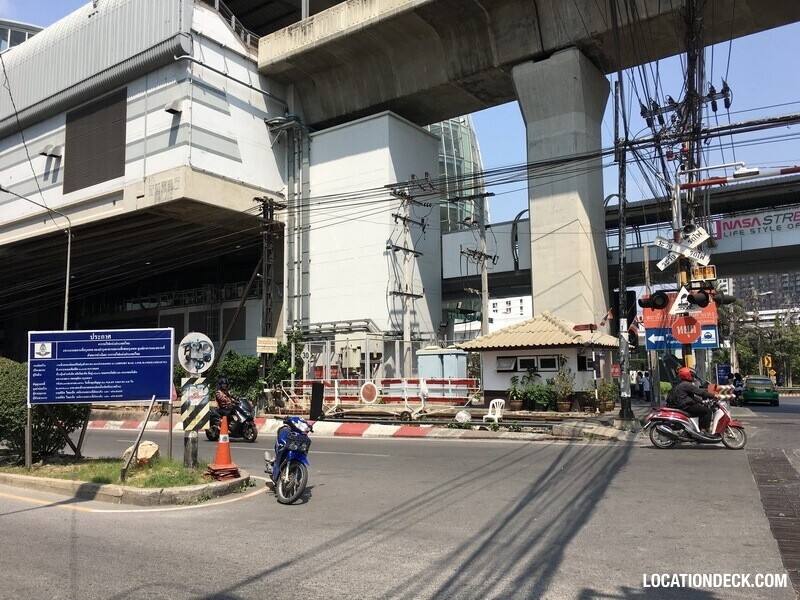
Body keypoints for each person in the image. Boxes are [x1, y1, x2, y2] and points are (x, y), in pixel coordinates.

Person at [670, 366, 716, 434]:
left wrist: (701, 401)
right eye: (692, 375)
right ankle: (704, 431)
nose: (693, 377)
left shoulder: (681, 384)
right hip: (685, 406)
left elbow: (690, 396)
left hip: (680, 404)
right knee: (707, 411)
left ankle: (698, 430)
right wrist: (713, 396)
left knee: (701, 410)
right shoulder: (687, 384)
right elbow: (700, 392)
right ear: (687, 375)